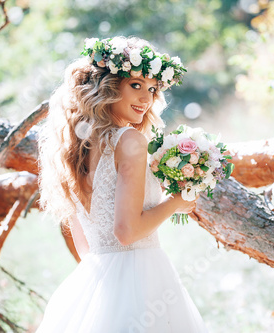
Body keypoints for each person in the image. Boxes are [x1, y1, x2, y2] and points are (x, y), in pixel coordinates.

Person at [36, 36, 208, 332]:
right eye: (136, 85)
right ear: (110, 85)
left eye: (153, 89)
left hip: (95, 279)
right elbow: (127, 232)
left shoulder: (75, 149)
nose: (146, 98)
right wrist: (176, 202)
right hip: (141, 278)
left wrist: (109, 294)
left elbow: (83, 246)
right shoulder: (129, 140)